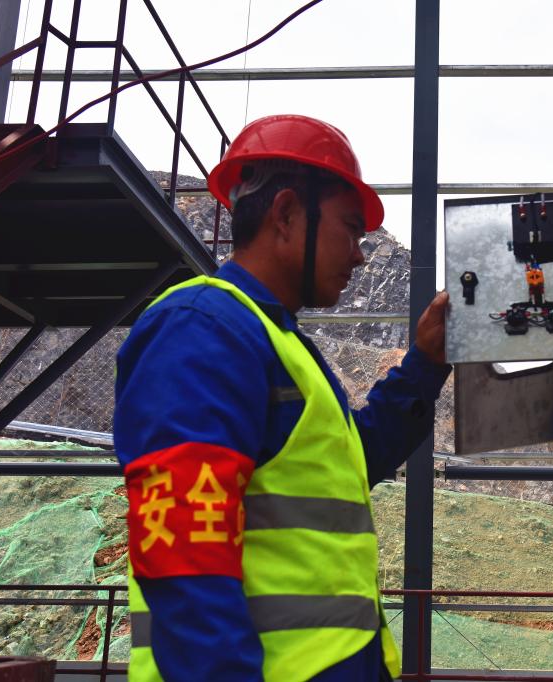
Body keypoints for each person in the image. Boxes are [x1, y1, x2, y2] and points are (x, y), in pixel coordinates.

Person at [113, 114, 452, 681]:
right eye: (350, 229)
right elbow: (185, 553)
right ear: (287, 214)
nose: (359, 256)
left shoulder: (276, 340)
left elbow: (352, 460)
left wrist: (425, 363)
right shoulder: (203, 328)